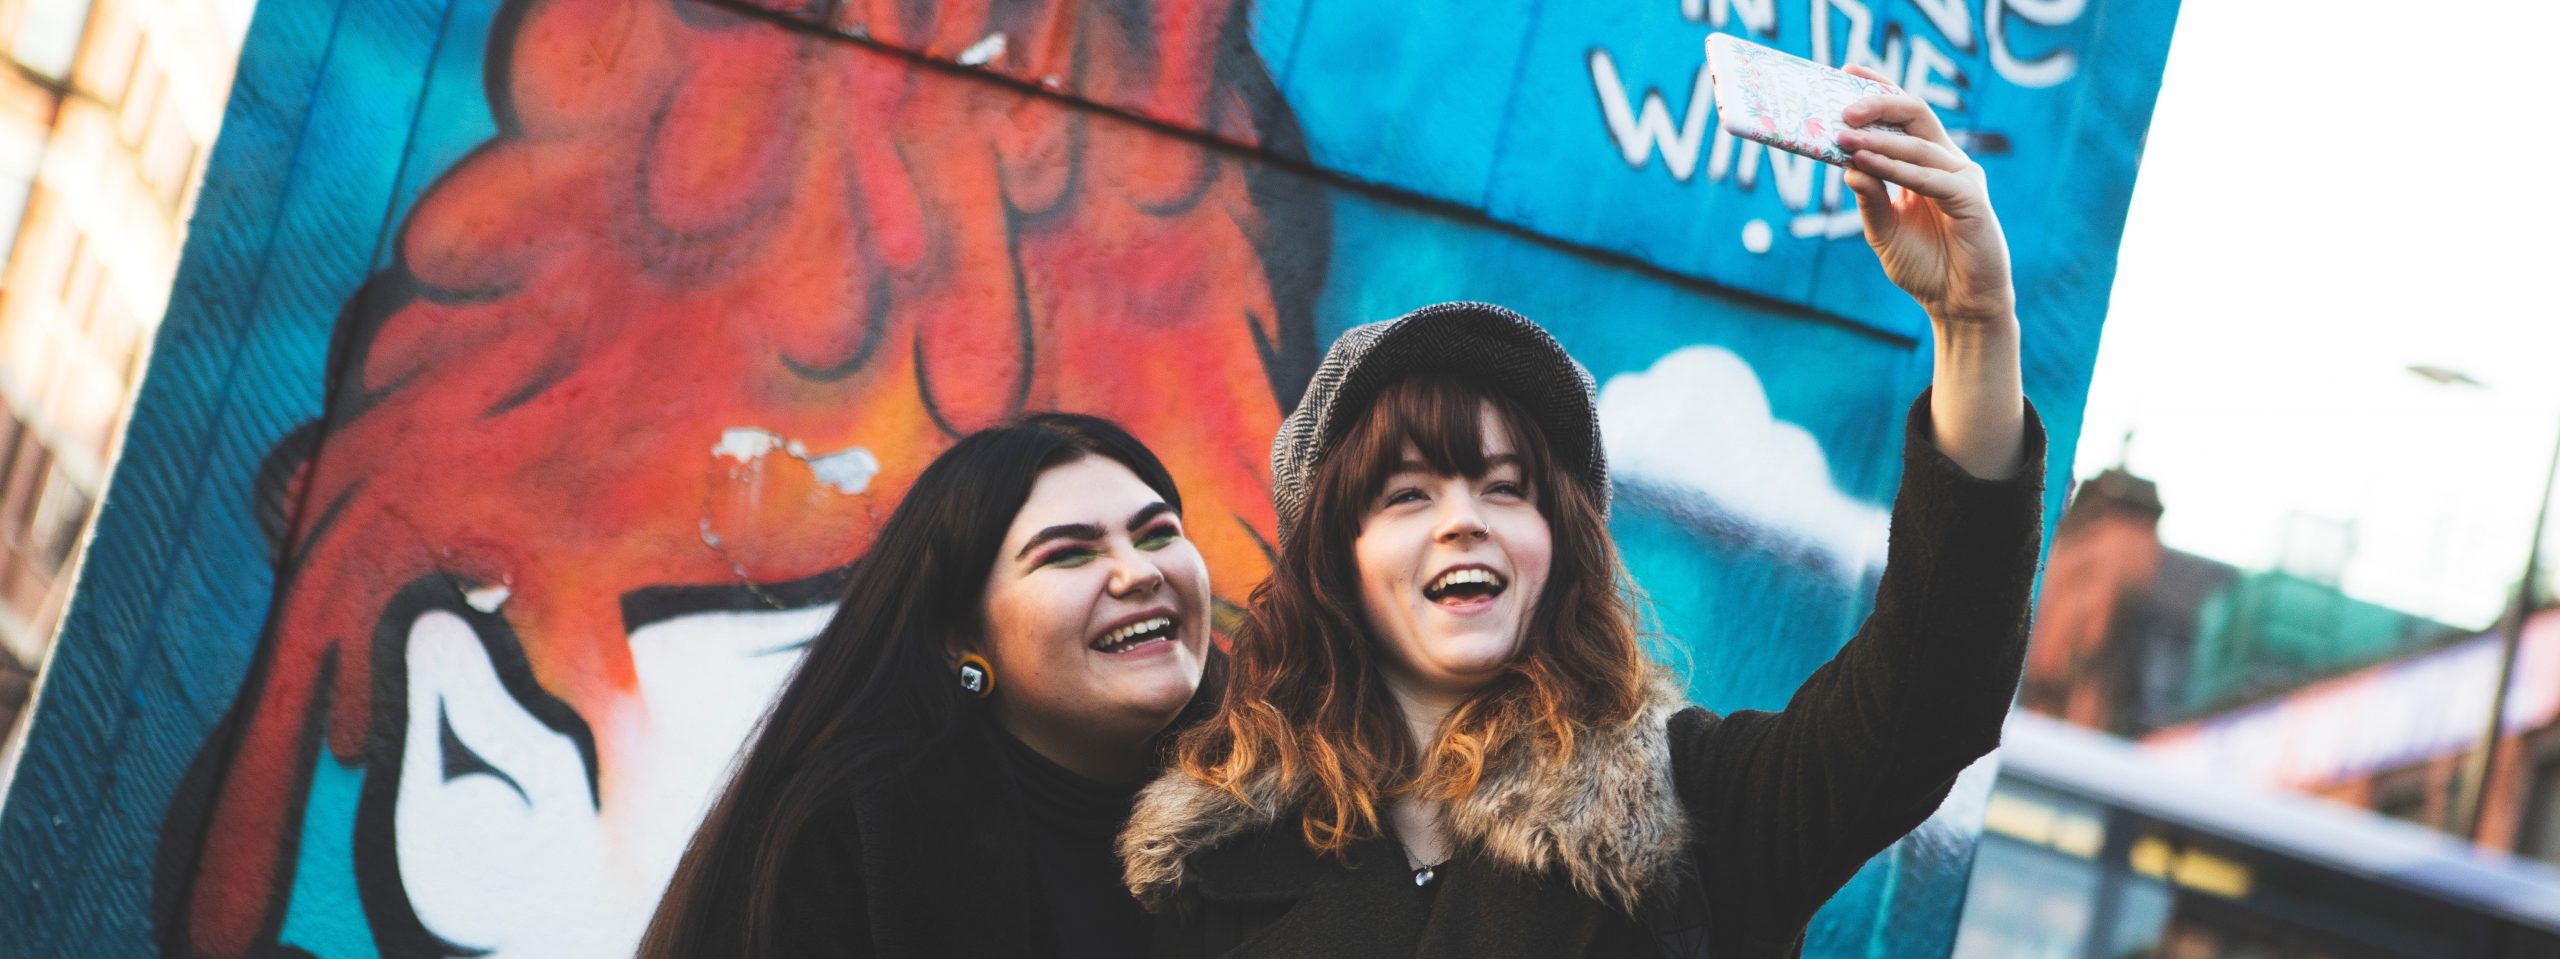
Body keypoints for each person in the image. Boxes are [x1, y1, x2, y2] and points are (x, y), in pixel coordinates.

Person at [1118, 68, 2045, 957]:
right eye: (1408, 494)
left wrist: (1972, 323)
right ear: (1337, 560)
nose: (1463, 519)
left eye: (1506, 486)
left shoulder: (1691, 811)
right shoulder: (1210, 859)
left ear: (1559, 546)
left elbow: (1935, 689)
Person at [640, 413, 1221, 958]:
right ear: (961, 638)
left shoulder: (1288, 784)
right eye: (1068, 555)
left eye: (1156, 535)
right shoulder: (844, 838)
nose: (1141, 572)